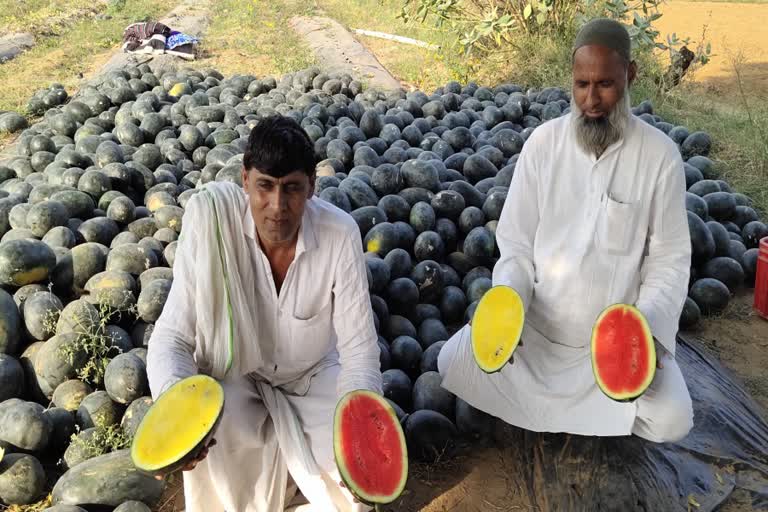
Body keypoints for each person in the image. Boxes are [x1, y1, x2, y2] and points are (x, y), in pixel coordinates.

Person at [438, 18, 694, 443]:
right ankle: (575, 412)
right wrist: (511, 305)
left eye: (605, 85)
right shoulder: (542, 144)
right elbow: (516, 243)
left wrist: (645, 332)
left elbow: (669, 258)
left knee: (674, 420)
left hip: (610, 344)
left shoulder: (660, 156)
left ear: (630, 76)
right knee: (451, 362)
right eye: (581, 85)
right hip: (538, 338)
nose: (591, 100)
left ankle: (569, 407)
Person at [146, 115, 382, 512]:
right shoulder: (212, 225)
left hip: (314, 377)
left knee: (353, 487)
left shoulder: (339, 234)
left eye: (291, 189)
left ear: (311, 186)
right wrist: (176, 411)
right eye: (265, 187)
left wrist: (362, 425)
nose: (277, 207)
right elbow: (173, 337)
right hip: (238, 374)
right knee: (212, 455)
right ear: (245, 181)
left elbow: (359, 349)